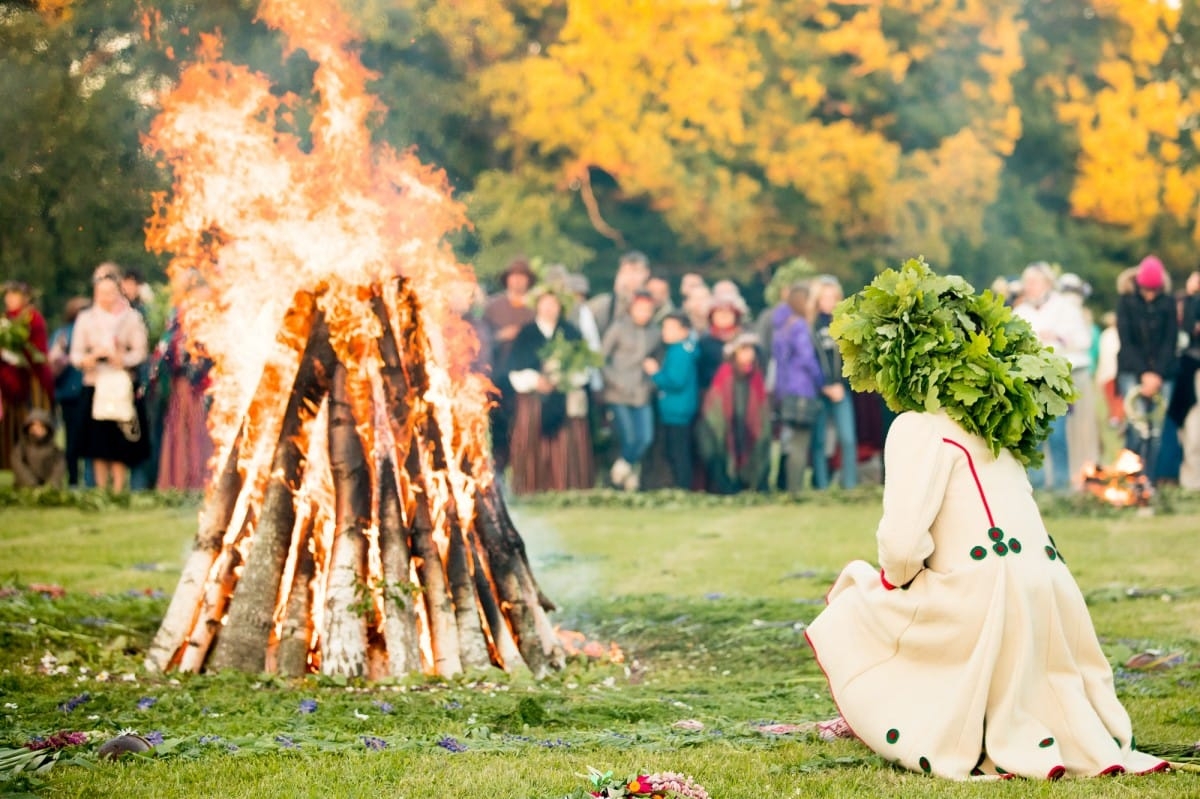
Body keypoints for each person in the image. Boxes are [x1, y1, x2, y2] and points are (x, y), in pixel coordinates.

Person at [805, 259, 1167, 779]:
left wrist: (896, 583)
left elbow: (904, 547)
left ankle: (918, 716)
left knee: (856, 595)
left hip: (984, 594)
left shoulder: (919, 426)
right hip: (1052, 594)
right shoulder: (997, 425)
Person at [502, 288, 593, 494]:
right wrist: (536, 380)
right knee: (531, 440)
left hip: (563, 395)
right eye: (545, 303)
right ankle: (531, 487)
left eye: (554, 304)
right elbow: (513, 368)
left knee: (565, 442)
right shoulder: (527, 333)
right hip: (534, 399)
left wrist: (562, 379)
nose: (549, 308)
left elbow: (583, 368)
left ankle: (565, 486)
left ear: (560, 307)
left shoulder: (571, 333)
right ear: (537, 306)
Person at [1013, 264, 1092, 490]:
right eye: (1027, 283)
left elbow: (1083, 341)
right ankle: (1035, 486)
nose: (1029, 288)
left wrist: (1058, 337)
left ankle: (1061, 485)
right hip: (1030, 381)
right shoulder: (1021, 312)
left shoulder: (1065, 308)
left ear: (1047, 283)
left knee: (1057, 434)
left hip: (1058, 379)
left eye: (1034, 282)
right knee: (1033, 435)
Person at [69, 272, 150, 492]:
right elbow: (75, 354)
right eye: (102, 293)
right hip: (95, 384)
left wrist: (122, 359)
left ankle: (118, 489)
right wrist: (90, 358)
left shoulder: (131, 317)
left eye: (111, 292)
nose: (106, 297)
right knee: (97, 440)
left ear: (118, 292)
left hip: (121, 385)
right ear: (95, 293)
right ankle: (100, 489)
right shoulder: (86, 318)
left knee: (120, 439)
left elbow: (141, 352)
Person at [1116, 255, 1177, 481]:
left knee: (1156, 431)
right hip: (1132, 369)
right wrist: (1144, 373)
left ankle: (1149, 480)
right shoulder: (1126, 301)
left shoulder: (1168, 302)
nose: (1150, 294)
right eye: (1146, 289)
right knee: (1136, 427)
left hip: (1163, 374)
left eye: (1154, 290)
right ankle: (1131, 479)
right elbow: (1127, 341)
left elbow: (1170, 341)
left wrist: (1157, 374)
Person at [695, 332, 771, 494]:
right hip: (728, 423)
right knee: (719, 449)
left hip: (746, 424)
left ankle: (751, 482)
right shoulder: (725, 373)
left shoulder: (756, 375)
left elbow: (760, 406)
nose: (748, 354)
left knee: (756, 445)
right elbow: (715, 404)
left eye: (750, 350)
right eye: (744, 350)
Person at [601, 291, 660, 490]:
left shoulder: (655, 332)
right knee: (629, 437)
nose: (644, 313)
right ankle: (626, 479)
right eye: (640, 309)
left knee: (645, 438)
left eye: (648, 310)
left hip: (642, 393)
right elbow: (601, 359)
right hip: (618, 393)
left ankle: (621, 469)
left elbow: (659, 359)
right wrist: (614, 380)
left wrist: (651, 380)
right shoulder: (618, 328)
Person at [484, 258, 537, 471]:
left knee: (522, 423)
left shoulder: (534, 307)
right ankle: (498, 466)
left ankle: (522, 470)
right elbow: (482, 337)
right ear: (507, 280)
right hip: (497, 374)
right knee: (498, 421)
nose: (517, 282)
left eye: (522, 277)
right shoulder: (493, 307)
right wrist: (500, 336)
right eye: (514, 277)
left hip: (525, 374)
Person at [152, 310, 214, 491]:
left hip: (196, 390)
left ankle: (196, 479)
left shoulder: (206, 329)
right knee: (180, 430)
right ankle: (177, 479)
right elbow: (163, 361)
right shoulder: (173, 335)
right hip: (179, 389)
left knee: (195, 431)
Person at [772, 281, 823, 491]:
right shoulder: (800, 325)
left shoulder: (782, 325)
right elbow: (806, 358)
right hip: (803, 389)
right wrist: (822, 381)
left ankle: (784, 485)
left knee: (789, 440)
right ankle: (795, 490)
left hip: (786, 389)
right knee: (799, 444)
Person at [1, 281, 55, 471]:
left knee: (33, 418)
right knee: (10, 422)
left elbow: (37, 350)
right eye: (8, 295)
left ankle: (38, 465)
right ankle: (13, 463)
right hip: (9, 378)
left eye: (14, 295)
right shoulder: (6, 319)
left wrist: (19, 355)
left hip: (32, 379)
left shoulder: (32, 318)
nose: (10, 299)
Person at [809, 276, 857, 489]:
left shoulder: (845, 326)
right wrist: (824, 386)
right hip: (819, 391)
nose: (829, 301)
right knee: (819, 441)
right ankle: (821, 486)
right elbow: (807, 361)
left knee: (847, 438)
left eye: (833, 297)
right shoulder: (809, 327)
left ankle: (849, 485)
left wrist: (840, 385)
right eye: (824, 297)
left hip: (841, 390)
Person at [644, 312, 698, 490]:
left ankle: (683, 487)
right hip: (676, 410)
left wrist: (655, 373)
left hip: (677, 411)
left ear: (684, 331)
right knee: (675, 451)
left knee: (678, 452)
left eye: (669, 328)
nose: (664, 332)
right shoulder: (683, 349)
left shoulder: (680, 352)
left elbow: (676, 381)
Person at [48, 297, 91, 487]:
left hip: (83, 389)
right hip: (72, 391)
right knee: (74, 438)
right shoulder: (64, 333)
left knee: (77, 437)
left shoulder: (86, 330)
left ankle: (81, 479)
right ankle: (75, 478)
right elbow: (53, 359)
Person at [587, 250, 650, 336]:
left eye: (636, 271)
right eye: (626, 271)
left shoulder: (652, 302)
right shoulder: (603, 304)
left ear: (646, 273)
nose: (631, 277)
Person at [696, 296, 745, 392]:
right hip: (711, 392)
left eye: (728, 312)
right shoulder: (704, 342)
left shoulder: (744, 340)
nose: (723, 315)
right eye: (719, 312)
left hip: (740, 391)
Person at [11, 408, 66, 488]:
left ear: (47, 429)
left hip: (48, 489)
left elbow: (59, 466)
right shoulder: (22, 448)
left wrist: (52, 485)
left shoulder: (54, 449)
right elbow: (18, 465)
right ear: (29, 428)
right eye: (34, 426)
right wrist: (31, 483)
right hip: (25, 488)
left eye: (41, 426)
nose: (37, 429)